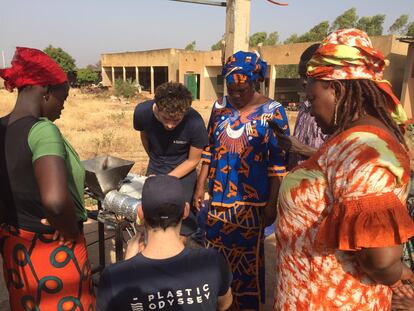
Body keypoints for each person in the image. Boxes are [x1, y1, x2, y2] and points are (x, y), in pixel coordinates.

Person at [273, 28, 414, 310]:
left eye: (312, 99)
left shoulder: (364, 149)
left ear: (336, 88)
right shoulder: (349, 141)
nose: (309, 110)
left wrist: (403, 275)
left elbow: (381, 258)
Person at [193, 51, 290, 310]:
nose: (235, 95)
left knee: (247, 264)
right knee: (213, 259)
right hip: (216, 200)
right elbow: (209, 150)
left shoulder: (273, 112)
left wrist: (272, 204)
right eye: (231, 88)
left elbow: (278, 164)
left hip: (251, 205)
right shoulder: (219, 107)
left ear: (254, 82)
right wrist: (199, 187)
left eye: (242, 89)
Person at [0, 47, 95, 310]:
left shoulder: (2, 127)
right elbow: (54, 201)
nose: (63, 106)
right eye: (62, 98)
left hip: (15, 247)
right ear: (45, 92)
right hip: (53, 250)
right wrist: (69, 230)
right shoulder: (42, 131)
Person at [96, 175, 233, 311]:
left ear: (141, 213)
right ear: (185, 210)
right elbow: (225, 304)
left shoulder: (114, 277)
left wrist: (128, 266)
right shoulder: (212, 262)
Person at [133, 82, 209, 239]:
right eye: (165, 118)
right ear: (157, 107)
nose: (169, 125)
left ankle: (178, 256)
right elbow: (144, 135)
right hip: (157, 164)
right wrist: (155, 159)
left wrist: (166, 180)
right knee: (152, 220)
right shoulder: (142, 112)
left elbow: (193, 160)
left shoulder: (194, 122)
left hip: (184, 168)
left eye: (176, 120)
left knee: (181, 224)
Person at [274, 43, 327, 170]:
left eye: (307, 76)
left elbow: (338, 158)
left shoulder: (337, 114)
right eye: (300, 76)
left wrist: (302, 149)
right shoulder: (304, 107)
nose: (303, 81)